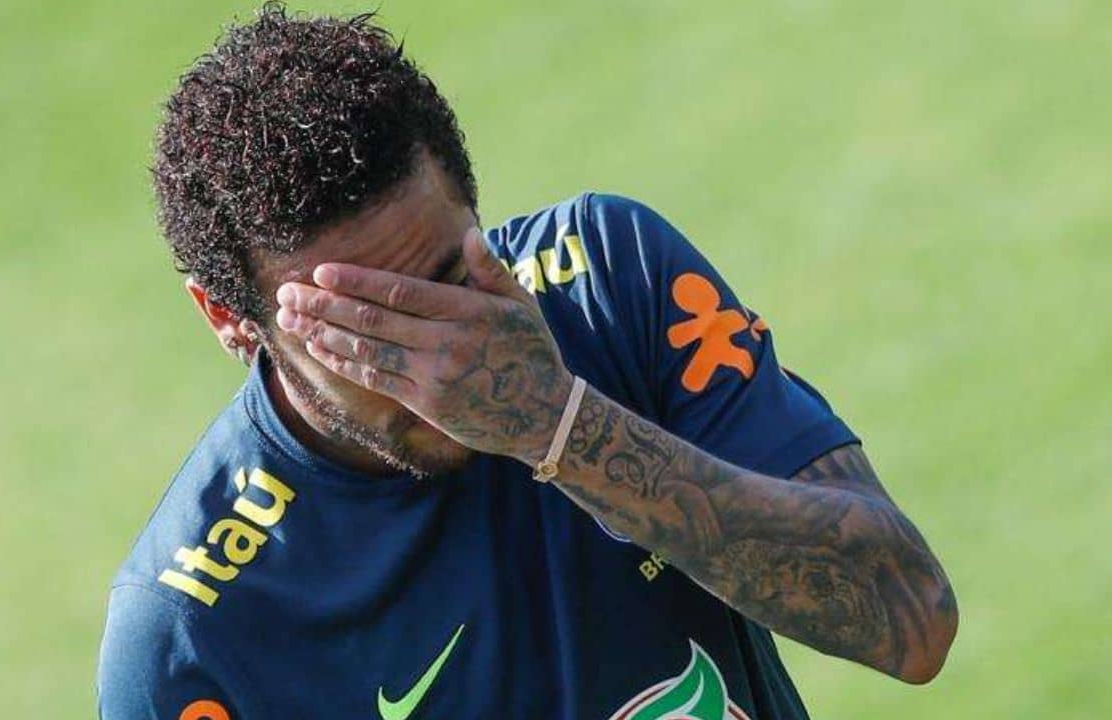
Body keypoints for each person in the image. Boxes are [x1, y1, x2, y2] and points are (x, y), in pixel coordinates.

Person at [97, 4, 957, 718]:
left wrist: (560, 426)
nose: (438, 369)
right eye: (365, 337)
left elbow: (909, 618)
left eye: (447, 283)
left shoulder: (609, 278)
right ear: (230, 320)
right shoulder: (191, 638)